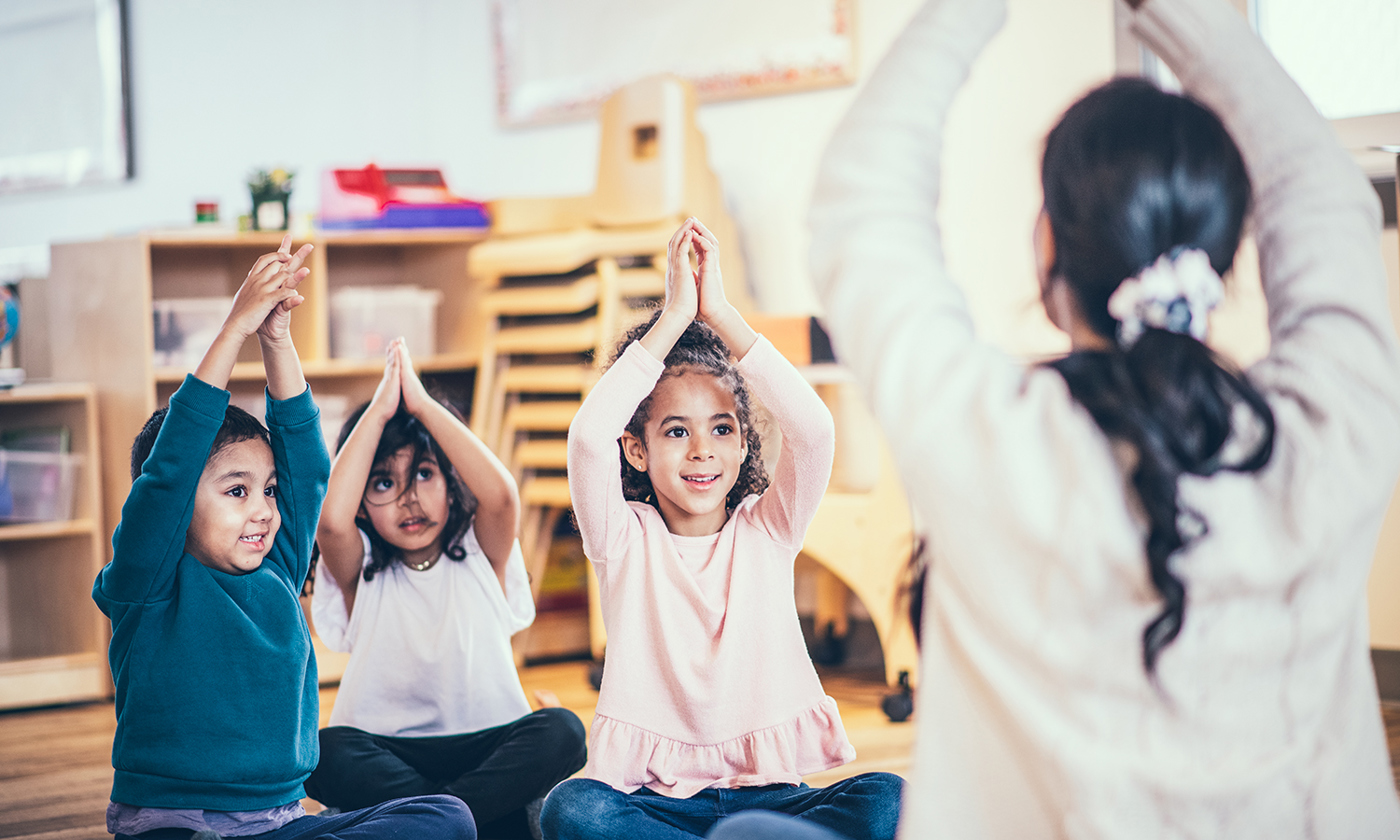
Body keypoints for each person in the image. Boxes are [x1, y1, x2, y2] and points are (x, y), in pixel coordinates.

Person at [808, 0, 1400, 836]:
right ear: (1224, 254)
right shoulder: (1327, 430)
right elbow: (1328, 195)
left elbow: (859, 204)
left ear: (1049, 247)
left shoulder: (988, 436)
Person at [93, 235, 476, 840]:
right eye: (236, 491)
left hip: (279, 823)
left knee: (445, 817)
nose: (265, 510)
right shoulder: (146, 583)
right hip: (176, 827)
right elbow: (168, 477)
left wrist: (275, 339)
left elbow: (305, 464)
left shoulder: (279, 565)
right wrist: (237, 326)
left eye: (267, 491)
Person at [539, 218, 903, 840]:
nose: (702, 450)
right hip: (657, 803)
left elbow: (814, 431)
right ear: (636, 450)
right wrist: (675, 316)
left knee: (888, 797)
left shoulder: (769, 527)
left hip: (773, 798)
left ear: (743, 447)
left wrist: (722, 315)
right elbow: (584, 438)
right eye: (676, 431)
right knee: (573, 811)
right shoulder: (621, 538)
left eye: (722, 428)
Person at [304, 337, 586, 839]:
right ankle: (465, 816)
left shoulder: (481, 549)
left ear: (452, 480)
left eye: (424, 474)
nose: (409, 499)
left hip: (489, 743)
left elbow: (500, 494)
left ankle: (434, 820)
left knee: (564, 731)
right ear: (363, 505)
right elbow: (329, 521)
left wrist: (422, 404)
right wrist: (381, 409)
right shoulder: (361, 567)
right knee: (322, 752)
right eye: (384, 484)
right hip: (387, 749)